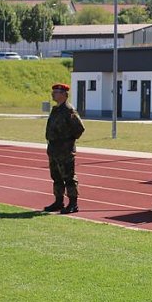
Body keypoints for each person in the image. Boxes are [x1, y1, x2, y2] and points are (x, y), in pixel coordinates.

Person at [43, 83, 86, 214]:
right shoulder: (56, 109)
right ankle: (58, 201)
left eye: (56, 92)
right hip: (54, 148)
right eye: (53, 92)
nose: (53, 94)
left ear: (64, 95)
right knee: (56, 176)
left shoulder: (69, 110)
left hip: (65, 150)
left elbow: (79, 128)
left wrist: (68, 141)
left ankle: (73, 204)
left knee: (69, 177)